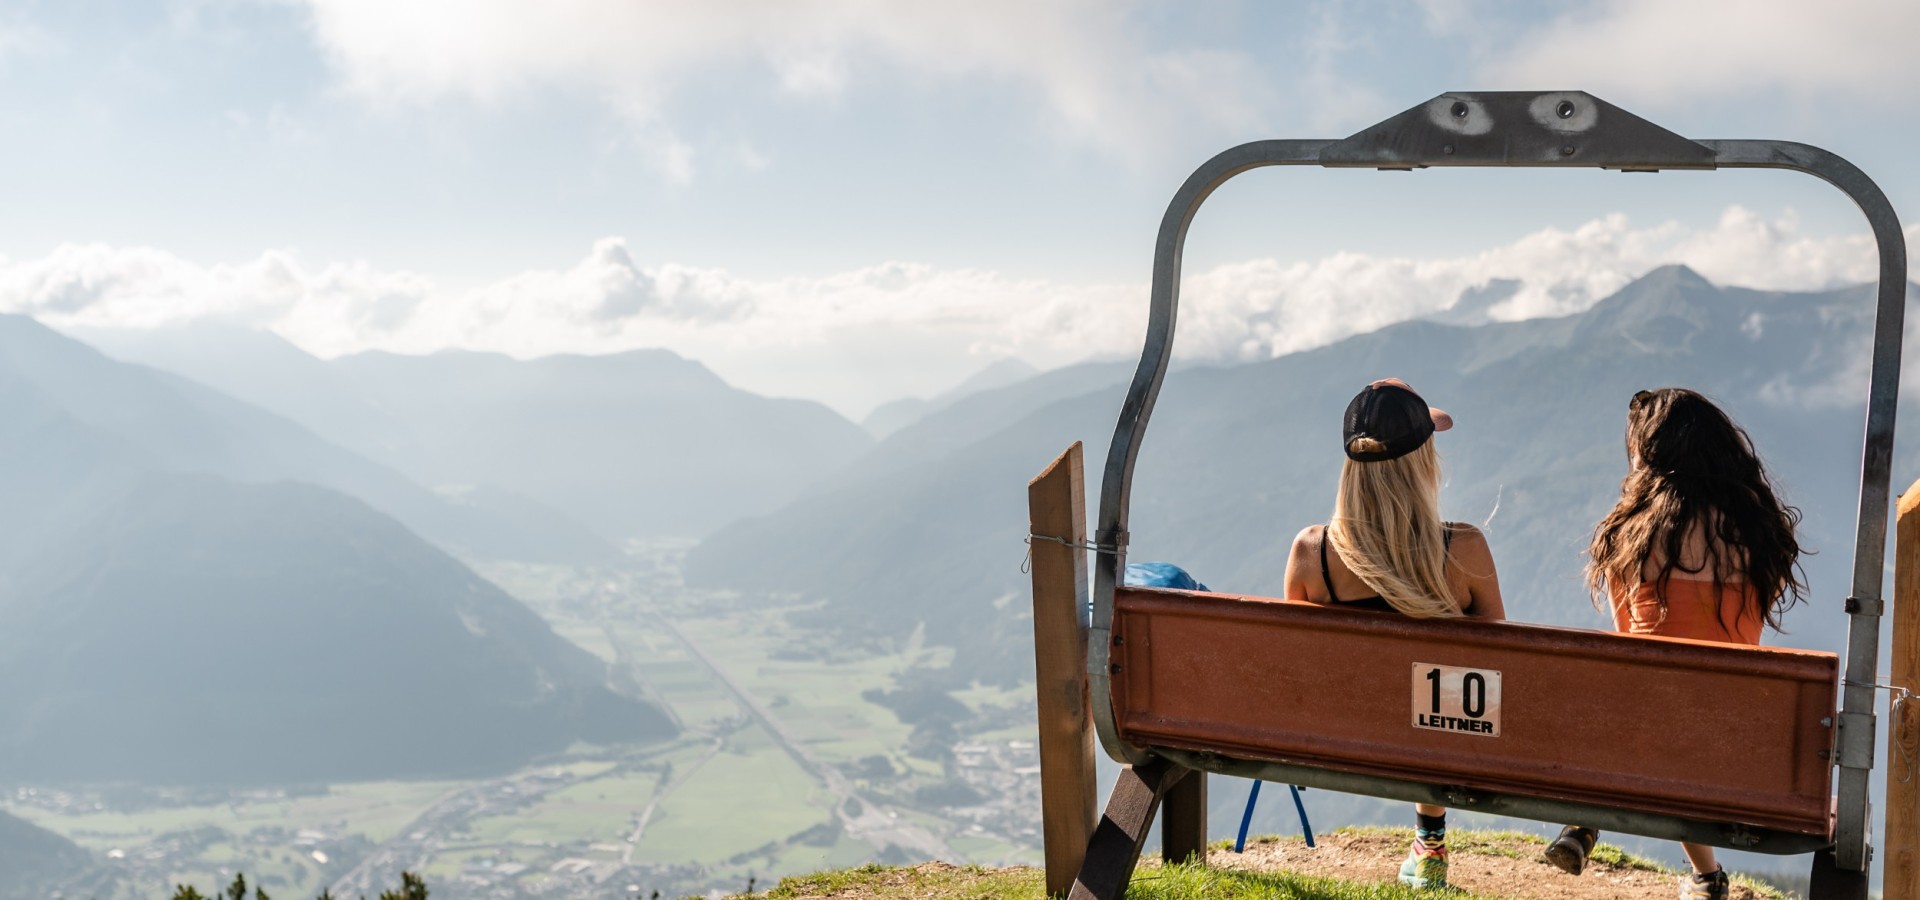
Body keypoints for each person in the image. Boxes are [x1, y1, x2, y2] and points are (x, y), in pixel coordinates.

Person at [1542, 388, 1805, 900]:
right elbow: (1752, 622)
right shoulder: (1758, 536)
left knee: (1641, 694)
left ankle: (1586, 821)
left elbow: (1630, 639)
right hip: (1735, 729)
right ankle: (1706, 878)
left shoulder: (1630, 535)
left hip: (1645, 720)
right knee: (1681, 713)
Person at [1283, 378, 1505, 890]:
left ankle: (1426, 846)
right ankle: (1430, 843)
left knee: (1415, 696)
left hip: (1343, 736)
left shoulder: (1310, 554)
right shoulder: (1462, 550)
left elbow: (1294, 667)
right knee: (1435, 696)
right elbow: (1498, 668)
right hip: (1437, 740)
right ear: (1423, 461)